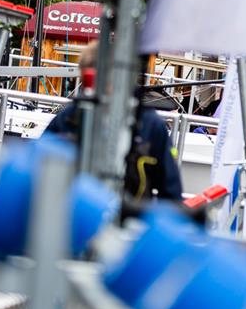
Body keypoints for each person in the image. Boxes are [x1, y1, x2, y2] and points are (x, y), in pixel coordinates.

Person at [45, 42, 182, 202]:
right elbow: (38, 168)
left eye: (102, 83)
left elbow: (172, 195)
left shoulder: (151, 126)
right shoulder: (68, 118)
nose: (95, 92)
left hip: (129, 219)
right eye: (88, 83)